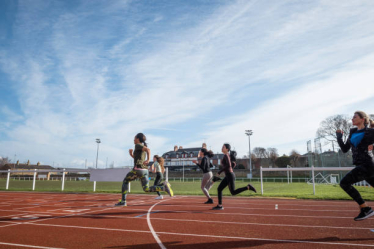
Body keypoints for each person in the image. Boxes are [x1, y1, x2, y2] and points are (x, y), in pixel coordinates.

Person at [115, 133, 173, 206]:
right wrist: (131, 154)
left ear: (138, 139)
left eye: (134, 138)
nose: (133, 139)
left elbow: (148, 150)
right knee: (146, 189)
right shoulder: (141, 147)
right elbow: (138, 158)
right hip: (144, 171)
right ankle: (164, 188)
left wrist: (148, 160)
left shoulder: (138, 145)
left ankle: (123, 201)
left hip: (138, 170)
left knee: (126, 181)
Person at [336, 111, 374, 221]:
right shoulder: (352, 132)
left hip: (368, 164)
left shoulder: (371, 132)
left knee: (344, 183)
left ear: (362, 119)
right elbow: (344, 149)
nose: (352, 119)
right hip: (361, 165)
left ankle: (365, 208)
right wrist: (339, 137)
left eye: (355, 117)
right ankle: (365, 209)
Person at [212, 143, 257, 210]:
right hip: (228, 175)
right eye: (222, 146)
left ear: (227, 149)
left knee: (233, 192)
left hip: (230, 175)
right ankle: (219, 205)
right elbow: (231, 165)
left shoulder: (226, 155)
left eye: (223, 147)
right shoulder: (226, 155)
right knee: (219, 189)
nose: (222, 148)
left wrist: (220, 171)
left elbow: (229, 165)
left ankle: (248, 187)